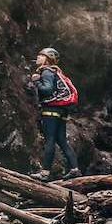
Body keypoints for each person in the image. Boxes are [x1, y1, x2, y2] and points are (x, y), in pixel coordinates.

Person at [28, 47, 81, 180]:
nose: (38, 58)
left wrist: (36, 81)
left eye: (41, 55)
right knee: (62, 141)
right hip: (61, 110)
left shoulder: (46, 72)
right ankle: (75, 169)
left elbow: (47, 90)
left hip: (51, 110)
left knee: (50, 140)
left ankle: (45, 173)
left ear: (47, 59)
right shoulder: (56, 72)